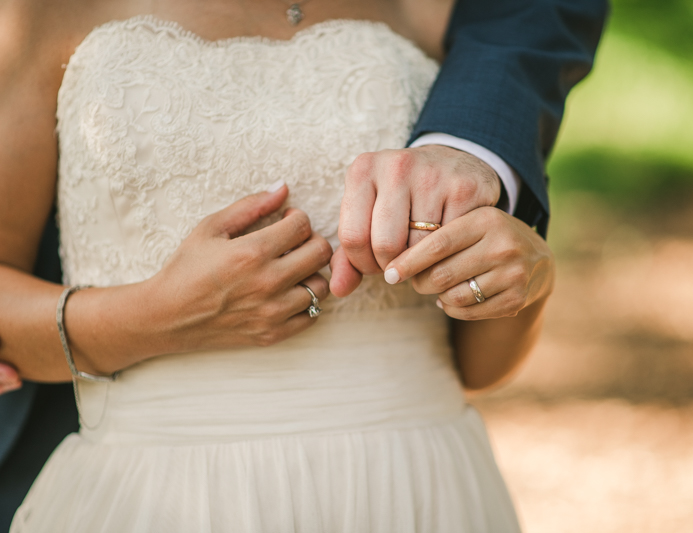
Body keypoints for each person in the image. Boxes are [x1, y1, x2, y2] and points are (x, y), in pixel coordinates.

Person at [0, 0, 607, 530]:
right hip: (160, 493)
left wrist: (526, 278)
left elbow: (480, 366)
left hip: (420, 484)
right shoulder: (42, 12)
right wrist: (153, 315)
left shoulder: (441, 13)